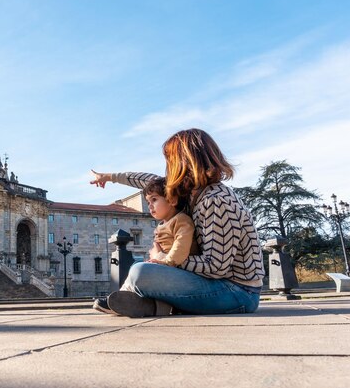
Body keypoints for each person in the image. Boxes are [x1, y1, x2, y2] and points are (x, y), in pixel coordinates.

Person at [90, 128, 265, 317]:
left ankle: (139, 300)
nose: (167, 168)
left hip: (237, 292)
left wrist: (163, 258)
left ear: (183, 162)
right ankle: (157, 306)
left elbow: (216, 267)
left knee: (141, 272)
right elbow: (149, 181)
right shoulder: (192, 193)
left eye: (170, 161)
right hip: (216, 284)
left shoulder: (216, 200)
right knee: (141, 271)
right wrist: (110, 177)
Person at [92, 176, 198, 314]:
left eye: (154, 199)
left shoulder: (181, 220)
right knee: (138, 271)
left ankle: (121, 300)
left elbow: (181, 246)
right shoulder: (162, 224)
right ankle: (124, 300)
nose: (150, 205)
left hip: (180, 272)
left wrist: (164, 261)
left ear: (172, 200)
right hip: (169, 270)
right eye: (148, 202)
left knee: (138, 268)